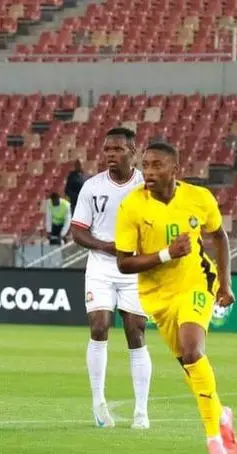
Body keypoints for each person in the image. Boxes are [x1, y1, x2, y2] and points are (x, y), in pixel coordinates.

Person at [115, 142, 237, 454]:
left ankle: (213, 440)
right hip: (157, 296)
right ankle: (221, 415)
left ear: (175, 170)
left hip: (196, 285)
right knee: (189, 366)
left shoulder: (199, 199)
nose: (150, 172)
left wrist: (225, 283)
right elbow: (124, 263)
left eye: (157, 166)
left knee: (192, 349)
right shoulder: (132, 207)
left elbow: (219, 236)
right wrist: (167, 254)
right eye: (146, 166)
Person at [69, 127, 153, 429]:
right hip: (102, 266)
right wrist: (105, 246)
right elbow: (77, 230)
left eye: (117, 149)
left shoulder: (147, 186)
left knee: (136, 330)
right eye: (106, 150)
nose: (110, 155)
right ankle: (98, 403)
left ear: (134, 151)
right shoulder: (92, 187)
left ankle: (141, 412)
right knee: (99, 325)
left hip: (135, 267)